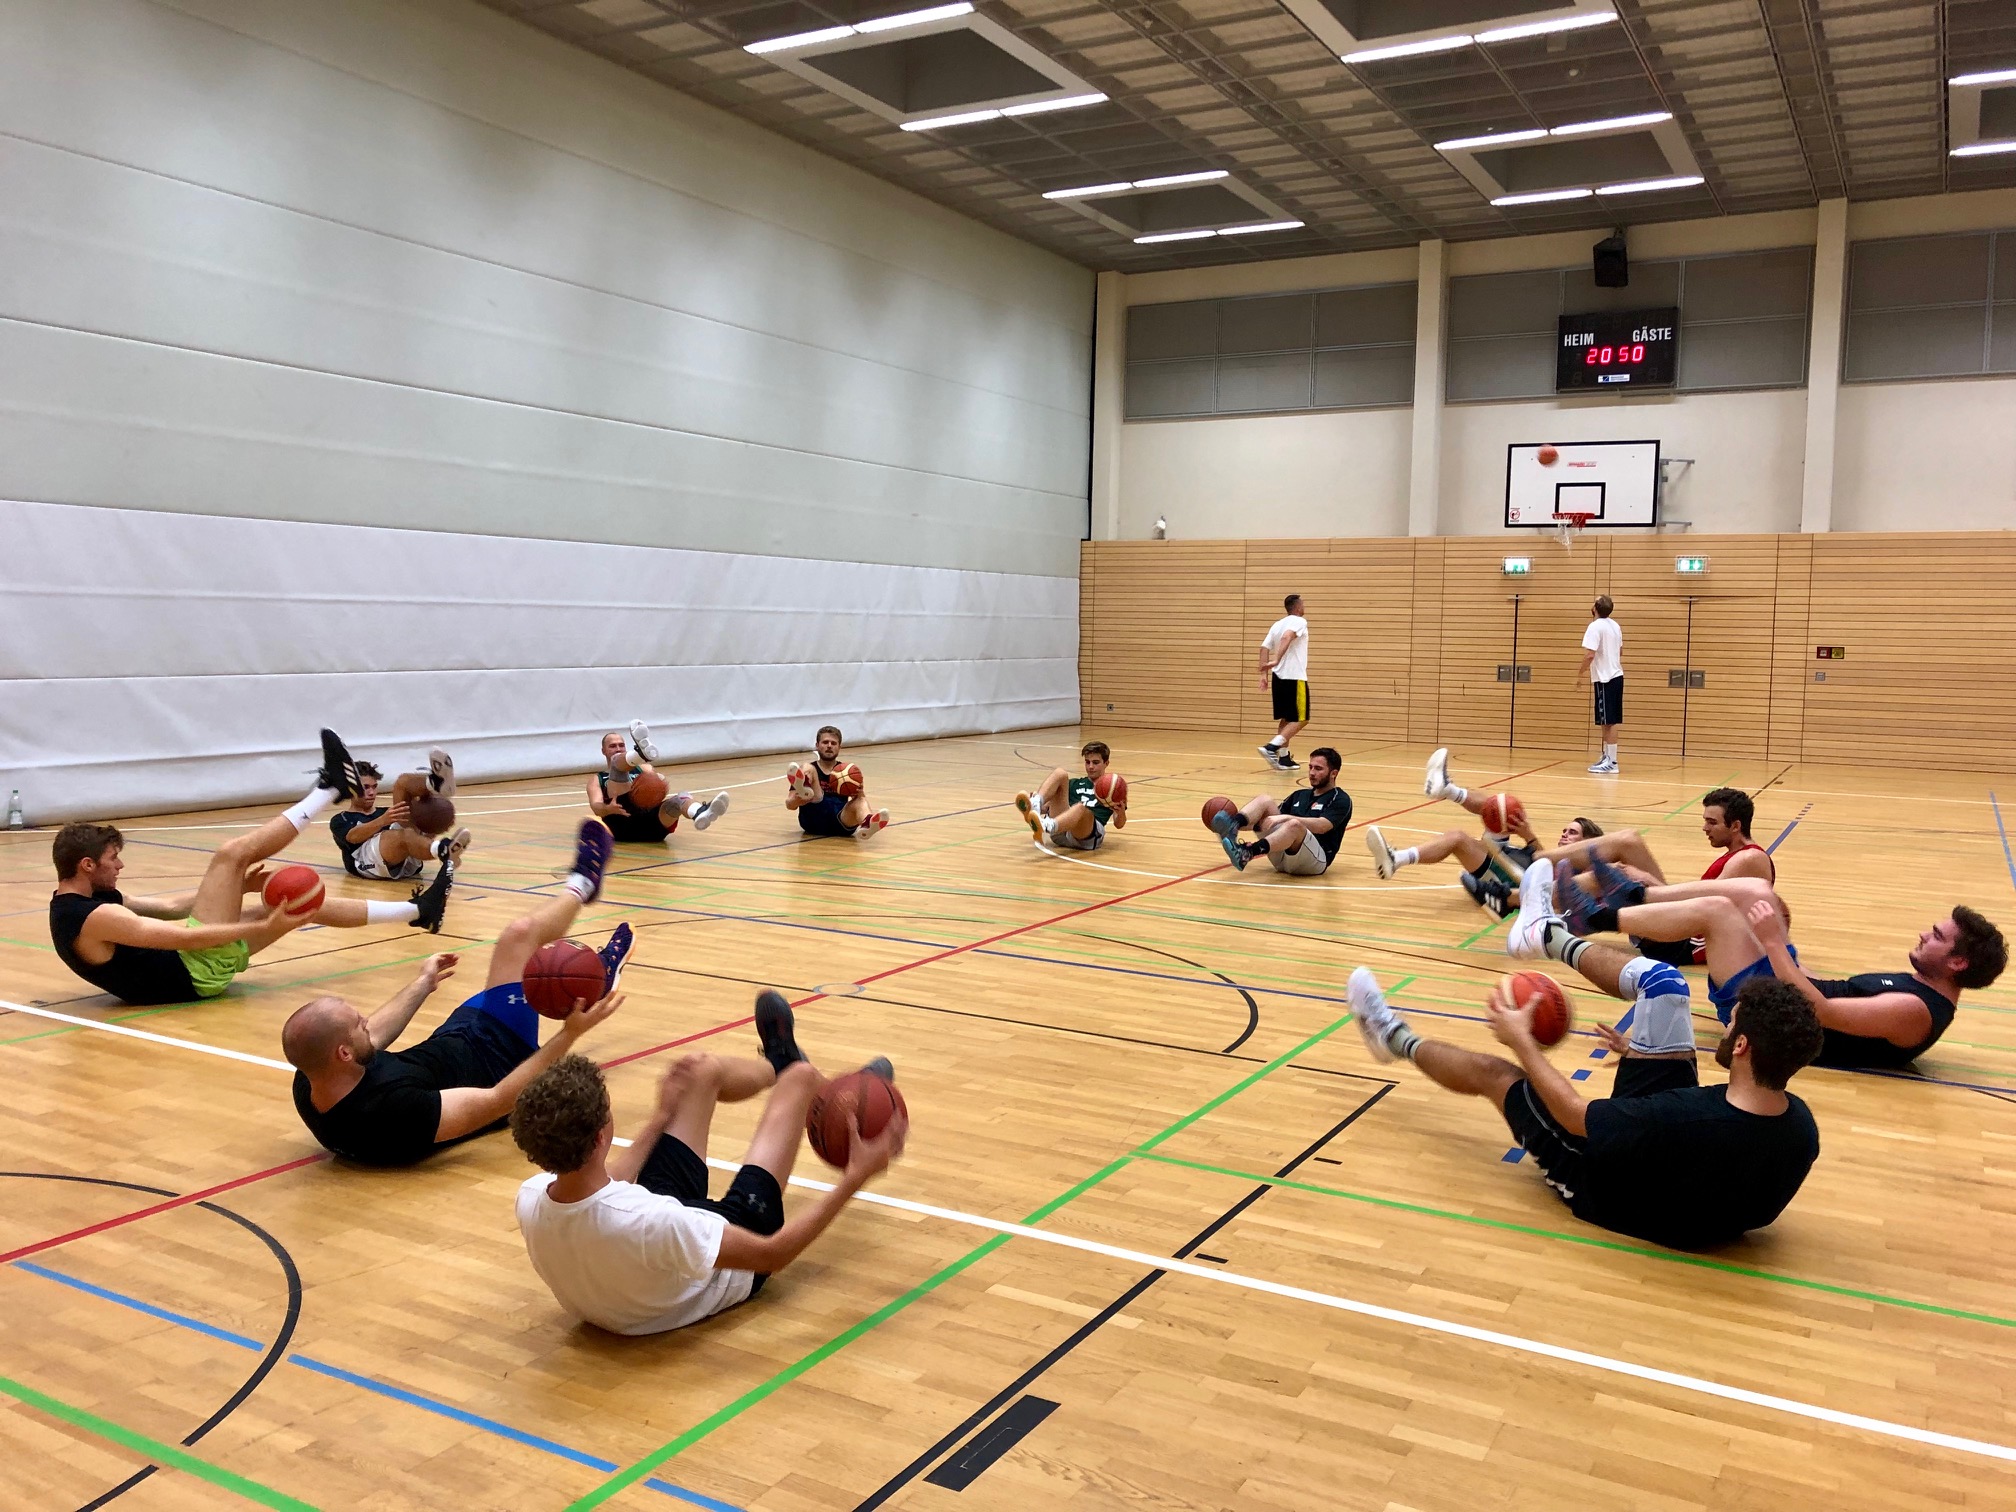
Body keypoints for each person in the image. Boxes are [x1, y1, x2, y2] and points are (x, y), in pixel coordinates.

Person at [1348, 963, 1822, 1250]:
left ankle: (1391, 1036)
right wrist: (1638, 1057)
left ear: (1741, 1047)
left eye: (1729, 1025)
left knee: (1499, 1076)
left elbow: (1576, 1116)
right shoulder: (1801, 1128)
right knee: (1664, 994)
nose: (1723, 1028)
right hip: (1683, 1183)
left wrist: (1520, 1041)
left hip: (1601, 1181)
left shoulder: (1679, 1118)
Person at [510, 990, 905, 1334]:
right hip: (724, 1267)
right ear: (601, 1136)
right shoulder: (655, 1224)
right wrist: (853, 1178)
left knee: (699, 1072)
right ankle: (839, 1101)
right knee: (802, 1079)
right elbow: (773, 1254)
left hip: (649, 1258)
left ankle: (779, 1059)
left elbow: (607, 1182)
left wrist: (662, 1116)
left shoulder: (533, 1196)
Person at [282, 821, 625, 1166]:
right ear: (343, 1053)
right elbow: (497, 1099)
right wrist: (570, 1034)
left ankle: (585, 980)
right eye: (358, 1024)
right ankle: (584, 894)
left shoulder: (313, 1079)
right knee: (519, 937)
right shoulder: (392, 1113)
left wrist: (422, 984)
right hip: (502, 1055)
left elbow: (373, 1035)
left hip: (457, 1037)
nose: (366, 1023)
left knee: (525, 968)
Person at [49, 730, 451, 1007]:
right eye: (112, 859)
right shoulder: (92, 918)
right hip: (194, 969)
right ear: (86, 865)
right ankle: (330, 788)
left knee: (302, 902)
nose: (120, 865)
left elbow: (170, 908)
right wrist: (259, 927)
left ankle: (418, 911)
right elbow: (183, 937)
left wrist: (240, 890)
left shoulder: (89, 899)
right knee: (231, 854)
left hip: (192, 969)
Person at [1512, 861, 2006, 1070]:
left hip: (1769, 1011)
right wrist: (1782, 948)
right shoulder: (1920, 986)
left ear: (1958, 962)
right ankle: (1634, 896)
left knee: (1718, 913)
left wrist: (1771, 942)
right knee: (1755, 890)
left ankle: (1587, 919)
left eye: (1937, 937)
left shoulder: (1916, 1012)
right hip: (1788, 985)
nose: (1924, 934)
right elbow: (1827, 990)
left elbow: (1820, 1012)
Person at [1210, 747, 1351, 876]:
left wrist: (1285, 818)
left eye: (1318, 769)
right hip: (1281, 857)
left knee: (1294, 825)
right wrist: (1219, 826)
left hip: (1314, 862)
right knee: (1265, 800)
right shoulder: (1300, 795)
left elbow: (1322, 826)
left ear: (1333, 773)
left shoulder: (1340, 799)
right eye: (1310, 767)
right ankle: (1233, 825)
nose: (1312, 773)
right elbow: (1265, 823)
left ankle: (1248, 853)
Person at [331, 754, 470, 880]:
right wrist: (382, 821)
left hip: (410, 858)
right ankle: (443, 850)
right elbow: (352, 837)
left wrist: (435, 820)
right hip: (367, 864)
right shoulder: (341, 819)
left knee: (402, 782)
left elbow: (418, 826)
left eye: (374, 787)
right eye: (366, 787)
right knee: (404, 834)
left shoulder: (387, 812)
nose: (371, 792)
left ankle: (435, 784)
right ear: (351, 788)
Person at [586, 727, 729, 845]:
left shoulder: (645, 769)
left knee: (680, 798)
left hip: (652, 829)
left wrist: (657, 785)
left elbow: (655, 789)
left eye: (621, 745)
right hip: (621, 825)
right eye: (612, 746)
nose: (618, 748)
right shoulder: (597, 779)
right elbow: (596, 807)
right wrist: (608, 808)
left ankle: (699, 812)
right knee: (617, 765)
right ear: (603, 751)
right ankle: (639, 754)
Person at [1014, 741, 1127, 851]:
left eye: (1095, 762)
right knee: (1060, 773)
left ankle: (1046, 826)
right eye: (1087, 762)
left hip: (1087, 835)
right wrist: (1033, 809)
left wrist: (1121, 813)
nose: (1090, 766)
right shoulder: (1074, 784)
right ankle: (1036, 803)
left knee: (1081, 807)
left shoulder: (1113, 788)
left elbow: (1119, 824)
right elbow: (1048, 808)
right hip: (1061, 832)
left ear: (1106, 763)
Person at [785, 725, 889, 840]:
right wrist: (796, 800)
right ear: (817, 745)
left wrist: (859, 794)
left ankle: (867, 825)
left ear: (839, 747)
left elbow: (859, 799)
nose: (829, 746)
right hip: (813, 821)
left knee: (860, 800)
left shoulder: (848, 771)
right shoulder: (805, 771)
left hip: (841, 822)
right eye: (825, 742)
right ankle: (805, 788)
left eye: (833, 743)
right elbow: (789, 805)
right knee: (807, 767)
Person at [1257, 594, 1310, 771]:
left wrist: (1263, 675)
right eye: (1303, 604)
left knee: (1287, 719)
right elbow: (1287, 637)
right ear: (1297, 606)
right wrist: (1277, 660)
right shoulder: (1299, 621)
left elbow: (1263, 648)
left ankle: (1284, 757)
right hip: (1294, 677)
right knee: (1302, 718)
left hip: (1278, 678)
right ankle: (1271, 747)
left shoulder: (1277, 624)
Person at [1579, 595, 1623, 774]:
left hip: (1606, 678)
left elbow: (1590, 654)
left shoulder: (1595, 626)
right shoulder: (1615, 626)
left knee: (1609, 721)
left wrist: (1580, 673)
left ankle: (1612, 762)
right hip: (1615, 675)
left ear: (1595, 608)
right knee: (1607, 720)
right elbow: (1620, 650)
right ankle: (1607, 757)